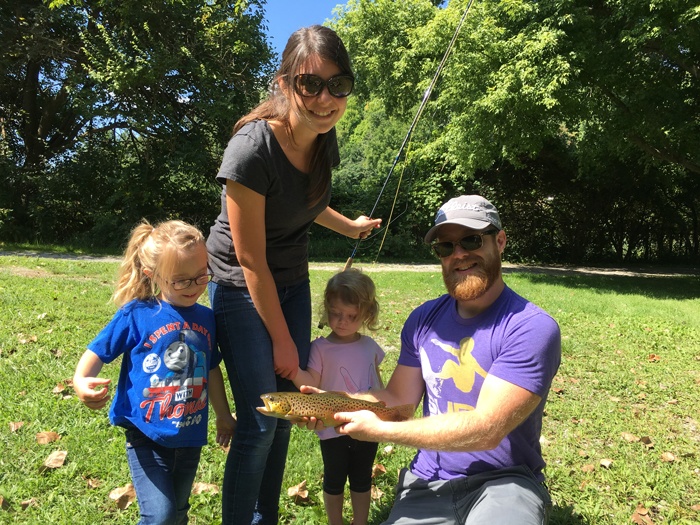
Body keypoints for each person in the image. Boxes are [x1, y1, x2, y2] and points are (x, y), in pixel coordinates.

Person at [205, 24, 382, 525]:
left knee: (286, 419)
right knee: (261, 422)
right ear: (284, 84)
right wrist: (284, 343)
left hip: (291, 282)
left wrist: (350, 227)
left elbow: (309, 202)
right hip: (241, 285)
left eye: (338, 85)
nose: (325, 99)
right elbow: (250, 260)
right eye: (310, 84)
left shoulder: (324, 140)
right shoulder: (251, 149)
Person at [302, 195, 561, 525]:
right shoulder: (424, 319)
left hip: (505, 482)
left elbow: (486, 429)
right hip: (428, 481)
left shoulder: (531, 327)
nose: (459, 255)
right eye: (445, 247)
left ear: (500, 241)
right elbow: (398, 400)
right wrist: (332, 405)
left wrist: (382, 431)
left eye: (471, 240)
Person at [73, 220, 236, 525]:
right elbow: (97, 351)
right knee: (159, 516)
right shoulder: (138, 314)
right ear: (154, 275)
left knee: (177, 514)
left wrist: (224, 416)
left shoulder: (207, 317)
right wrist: (81, 379)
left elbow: (211, 368)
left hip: (189, 435)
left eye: (202, 275)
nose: (195, 286)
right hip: (146, 433)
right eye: (181, 280)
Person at [292, 269, 385, 525]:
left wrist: (384, 411)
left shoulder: (370, 346)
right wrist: (293, 371)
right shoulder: (320, 347)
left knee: (362, 476)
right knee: (334, 478)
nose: (342, 321)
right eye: (336, 313)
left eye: (352, 316)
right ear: (327, 308)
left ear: (367, 314)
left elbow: (378, 382)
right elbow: (310, 384)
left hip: (367, 424)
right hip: (332, 427)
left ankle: (360, 521)